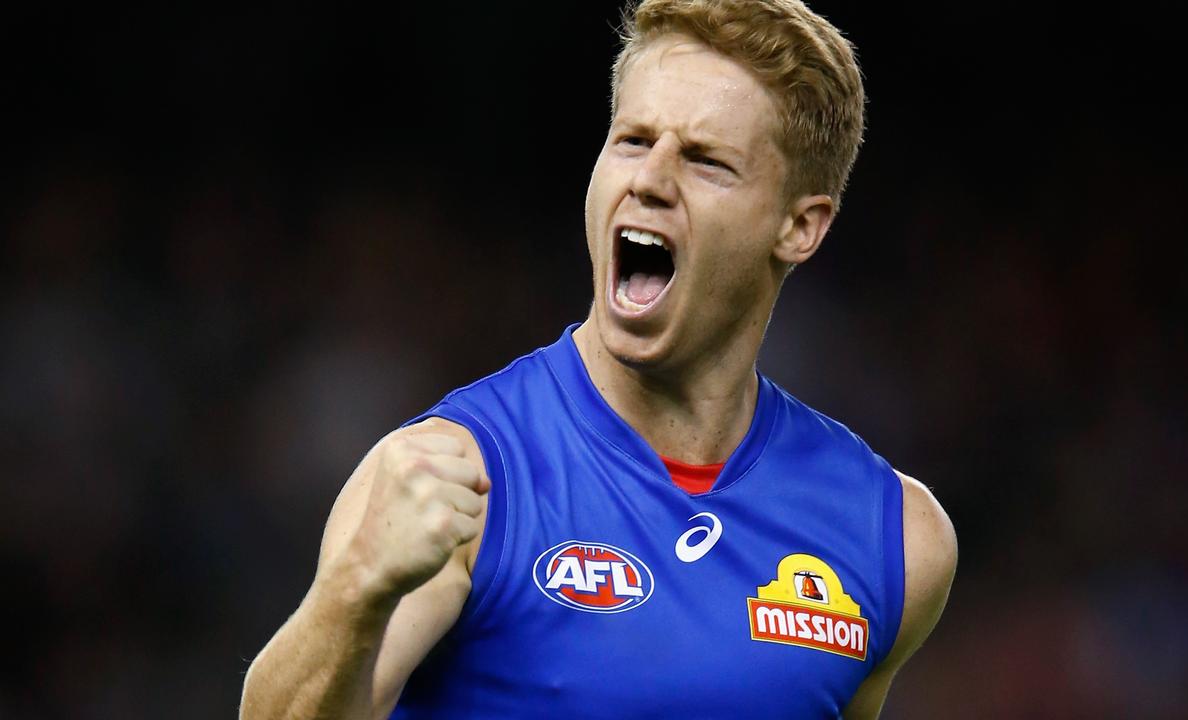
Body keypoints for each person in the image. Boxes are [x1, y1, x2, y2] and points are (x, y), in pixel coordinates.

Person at [240, 1, 957, 717]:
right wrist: (357, 588)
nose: (650, 179)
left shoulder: (891, 535)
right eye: (633, 140)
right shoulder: (456, 482)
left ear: (799, 226)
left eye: (707, 161)